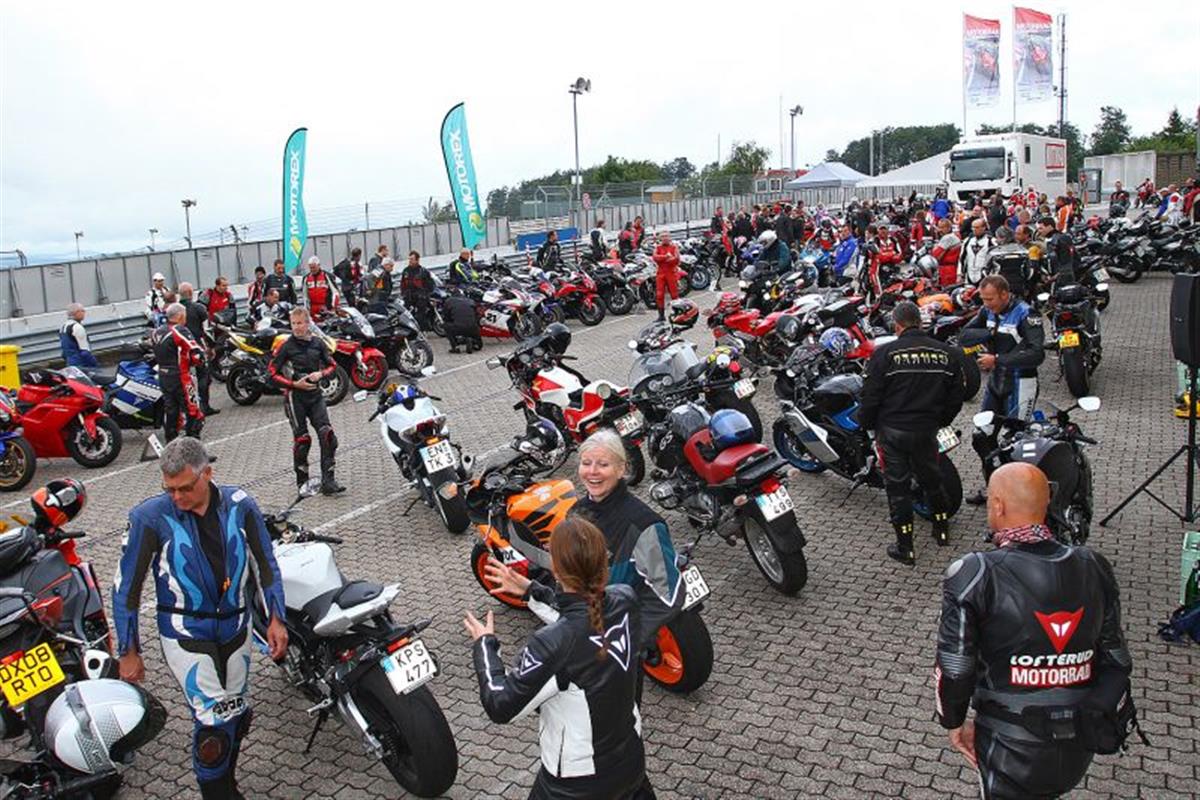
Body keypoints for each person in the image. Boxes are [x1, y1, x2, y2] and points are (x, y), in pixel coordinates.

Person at [936, 462, 1135, 800]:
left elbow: (955, 667)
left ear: (997, 505)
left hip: (1008, 743)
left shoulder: (975, 573)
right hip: (1080, 741)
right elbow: (1117, 657)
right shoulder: (1094, 565)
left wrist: (953, 722)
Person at [113, 436, 287, 800]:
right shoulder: (149, 517)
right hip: (184, 629)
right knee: (213, 722)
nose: (177, 497)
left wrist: (277, 618)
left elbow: (266, 563)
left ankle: (228, 784)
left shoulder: (240, 504)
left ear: (207, 473)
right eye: (169, 489)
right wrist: (128, 650)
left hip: (236, 624)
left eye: (185, 488)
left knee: (236, 713)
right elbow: (127, 587)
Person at [465, 517, 653, 800]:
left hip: (577, 786)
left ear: (555, 567)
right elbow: (584, 616)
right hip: (631, 763)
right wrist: (531, 592)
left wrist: (485, 646)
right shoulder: (626, 599)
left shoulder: (553, 644)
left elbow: (500, 705)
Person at [857, 301, 964, 564]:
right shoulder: (946, 353)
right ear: (919, 322)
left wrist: (867, 423)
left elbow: (871, 396)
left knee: (898, 489)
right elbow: (957, 395)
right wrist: (941, 421)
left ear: (897, 325)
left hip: (893, 431)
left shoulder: (884, 354)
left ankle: (906, 547)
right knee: (932, 481)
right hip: (926, 430)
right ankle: (941, 531)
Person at [964, 276, 1044, 504]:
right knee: (981, 436)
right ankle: (995, 487)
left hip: (1021, 382)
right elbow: (964, 336)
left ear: (1004, 294)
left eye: (990, 299)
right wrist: (990, 334)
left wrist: (997, 359)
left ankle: (1021, 495)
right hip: (996, 382)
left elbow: (1037, 354)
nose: (986, 304)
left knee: (1017, 442)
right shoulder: (987, 311)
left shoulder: (1026, 313)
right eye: (983, 299)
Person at [269, 307, 343, 495]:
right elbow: (271, 374)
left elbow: (333, 366)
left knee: (327, 435)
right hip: (295, 398)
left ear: (308, 323)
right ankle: (303, 483)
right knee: (303, 441)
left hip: (315, 396)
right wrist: (294, 384)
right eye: (293, 323)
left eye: (300, 323)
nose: (297, 327)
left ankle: (328, 482)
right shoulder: (286, 346)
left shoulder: (318, 343)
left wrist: (321, 374)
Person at [151, 303, 206, 442]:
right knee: (193, 410)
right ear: (180, 315)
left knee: (171, 410)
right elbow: (196, 351)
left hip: (163, 376)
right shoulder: (179, 330)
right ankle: (193, 445)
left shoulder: (156, 332)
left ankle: (171, 443)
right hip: (181, 376)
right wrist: (200, 360)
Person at [178, 282, 218, 415]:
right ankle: (204, 406)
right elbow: (207, 330)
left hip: (180, 349)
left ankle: (186, 407)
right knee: (204, 375)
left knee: (183, 377)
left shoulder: (175, 309)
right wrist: (211, 347)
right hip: (197, 347)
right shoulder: (199, 308)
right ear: (191, 293)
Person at [983, 226, 1030, 299]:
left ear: (1003, 238)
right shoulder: (1024, 250)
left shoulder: (993, 252)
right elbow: (1029, 271)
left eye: (997, 237)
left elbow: (985, 271)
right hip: (1019, 286)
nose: (996, 240)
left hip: (999, 286)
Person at [399, 250, 435, 329]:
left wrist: (425, 294)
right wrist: (403, 293)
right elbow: (402, 284)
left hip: (420, 298)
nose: (410, 261)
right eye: (409, 259)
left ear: (417, 260)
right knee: (407, 315)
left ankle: (422, 330)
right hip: (409, 297)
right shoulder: (406, 271)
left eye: (412, 259)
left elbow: (430, 285)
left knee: (421, 315)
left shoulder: (423, 271)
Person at [59, 303, 99, 369]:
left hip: (70, 364)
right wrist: (94, 364)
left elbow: (64, 353)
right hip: (81, 365)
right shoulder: (77, 327)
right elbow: (85, 352)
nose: (84, 313)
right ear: (76, 312)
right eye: (82, 311)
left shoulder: (63, 327)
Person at [652, 230, 681, 321]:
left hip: (671, 273)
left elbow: (676, 259)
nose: (665, 238)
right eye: (663, 236)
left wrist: (662, 258)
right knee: (659, 295)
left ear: (670, 237)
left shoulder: (674, 247)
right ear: (660, 238)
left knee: (674, 294)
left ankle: (677, 313)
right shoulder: (658, 247)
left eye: (666, 236)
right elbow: (655, 257)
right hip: (661, 273)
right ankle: (661, 316)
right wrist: (666, 257)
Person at [959, 217, 994, 286]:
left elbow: (995, 260)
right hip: (969, 275)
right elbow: (962, 258)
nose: (974, 230)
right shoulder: (967, 241)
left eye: (977, 227)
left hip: (985, 276)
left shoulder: (991, 241)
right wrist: (960, 274)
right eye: (973, 227)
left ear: (984, 228)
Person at [931, 218, 962, 287]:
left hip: (947, 270)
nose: (939, 230)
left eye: (942, 227)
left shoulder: (948, 237)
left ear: (949, 228)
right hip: (952, 268)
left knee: (946, 289)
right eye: (939, 227)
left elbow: (936, 255)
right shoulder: (955, 235)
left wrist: (934, 248)